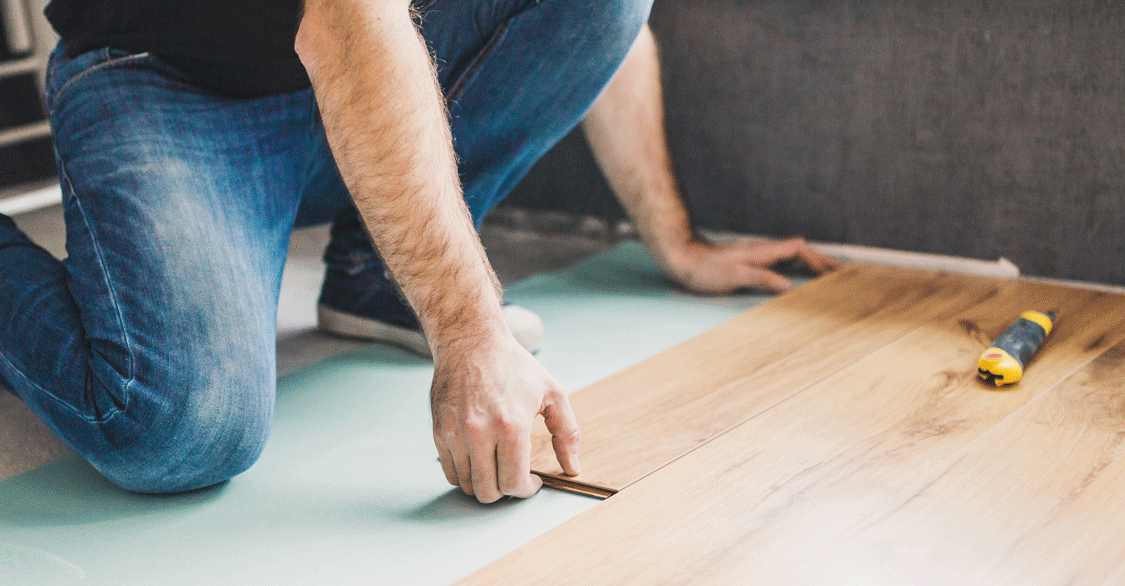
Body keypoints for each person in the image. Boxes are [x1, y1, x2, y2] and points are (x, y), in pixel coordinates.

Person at [0, 0, 833, 503]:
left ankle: (377, 280)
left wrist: (675, 242)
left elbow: (603, 33)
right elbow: (344, 27)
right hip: (165, 80)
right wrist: (469, 335)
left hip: (364, 75)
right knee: (173, 429)